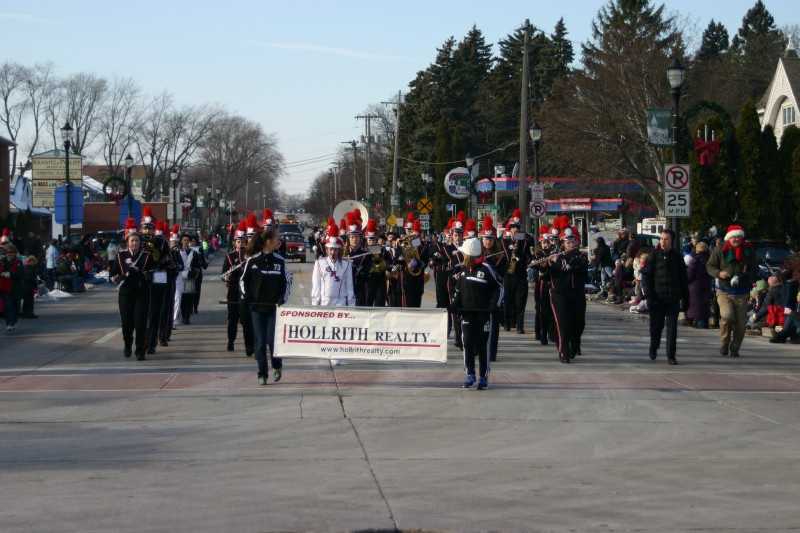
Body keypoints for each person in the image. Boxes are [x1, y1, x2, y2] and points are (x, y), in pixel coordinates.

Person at [240, 227, 291, 385]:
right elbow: (243, 281)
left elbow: (287, 283)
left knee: (272, 340)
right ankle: (262, 373)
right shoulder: (253, 261)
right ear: (268, 241)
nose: (279, 241)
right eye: (276, 238)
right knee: (260, 342)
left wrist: (283, 298)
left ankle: (277, 366)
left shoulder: (280, 261)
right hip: (257, 309)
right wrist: (247, 296)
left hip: (273, 308)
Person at [452, 237, 501, 390]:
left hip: (484, 314)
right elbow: (458, 290)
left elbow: (499, 288)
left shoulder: (486, 268)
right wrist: (454, 304)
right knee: (467, 343)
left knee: (482, 346)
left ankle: (483, 377)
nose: (462, 256)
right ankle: (470, 374)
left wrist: (494, 305)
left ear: (469, 255)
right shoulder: (463, 270)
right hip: (466, 314)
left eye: (464, 253)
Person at [706, 224, 758, 357]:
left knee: (741, 324)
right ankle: (724, 343)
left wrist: (747, 277)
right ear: (729, 238)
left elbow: (755, 269)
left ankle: (735, 349)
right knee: (727, 316)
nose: (736, 239)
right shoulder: (720, 250)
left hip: (742, 292)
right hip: (724, 291)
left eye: (739, 237)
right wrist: (719, 273)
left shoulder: (748, 251)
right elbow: (709, 266)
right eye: (733, 237)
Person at [109, 220, 154, 360]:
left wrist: (146, 274)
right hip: (126, 294)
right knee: (127, 323)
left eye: (137, 240)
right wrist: (119, 277)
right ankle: (128, 345)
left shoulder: (146, 256)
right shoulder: (120, 256)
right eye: (132, 240)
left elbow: (152, 273)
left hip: (141, 292)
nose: (135, 243)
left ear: (140, 242)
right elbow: (112, 275)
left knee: (140, 323)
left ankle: (140, 350)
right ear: (127, 241)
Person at [643, 229, 689, 364]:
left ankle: (671, 355)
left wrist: (686, 299)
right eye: (661, 239)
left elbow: (683, 280)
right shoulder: (653, 255)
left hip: (673, 298)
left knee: (672, 328)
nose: (663, 242)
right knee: (656, 327)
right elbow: (646, 276)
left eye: (666, 239)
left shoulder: (678, 257)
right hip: (656, 298)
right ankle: (654, 346)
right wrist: (649, 295)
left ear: (672, 241)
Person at [548, 225, 588, 362]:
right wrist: (543, 266)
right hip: (559, 295)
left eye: (572, 241)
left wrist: (558, 261)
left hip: (577, 294)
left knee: (579, 324)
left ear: (577, 242)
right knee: (563, 324)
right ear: (563, 244)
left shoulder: (582, 257)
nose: (570, 244)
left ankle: (575, 343)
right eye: (567, 242)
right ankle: (563, 352)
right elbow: (547, 275)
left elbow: (570, 267)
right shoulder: (555, 256)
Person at [223, 220, 253, 354]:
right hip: (234, 291)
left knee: (247, 321)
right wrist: (227, 276)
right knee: (232, 319)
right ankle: (231, 341)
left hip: (246, 293)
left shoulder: (250, 257)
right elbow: (223, 274)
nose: (241, 244)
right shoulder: (229, 257)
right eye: (238, 241)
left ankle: (249, 346)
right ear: (235, 242)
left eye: (243, 241)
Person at [480, 216, 507, 362]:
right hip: (479, 294)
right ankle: (480, 349)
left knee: (493, 324)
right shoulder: (476, 254)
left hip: (494, 294)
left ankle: (492, 353)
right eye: (485, 238)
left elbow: (500, 276)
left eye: (490, 239)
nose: (487, 241)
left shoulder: (500, 257)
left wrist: (489, 263)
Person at [502, 209, 531, 334]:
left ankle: (519, 326)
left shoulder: (525, 240)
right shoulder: (505, 240)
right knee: (508, 301)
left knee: (520, 302)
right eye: (512, 227)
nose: (515, 229)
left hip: (520, 274)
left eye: (517, 227)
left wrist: (522, 253)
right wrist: (510, 249)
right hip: (508, 275)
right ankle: (508, 323)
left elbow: (530, 253)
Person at [311, 223, 355, 306]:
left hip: (341, 305)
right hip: (325, 304)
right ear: (327, 250)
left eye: (335, 250)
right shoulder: (319, 263)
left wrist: (351, 306)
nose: (333, 252)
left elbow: (350, 287)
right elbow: (316, 286)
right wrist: (315, 304)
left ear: (338, 250)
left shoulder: (346, 265)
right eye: (331, 249)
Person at [686, 241, 712, 328]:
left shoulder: (694, 260)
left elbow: (689, 275)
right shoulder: (710, 260)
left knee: (696, 307)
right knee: (704, 307)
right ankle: (704, 323)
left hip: (695, 287)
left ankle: (695, 322)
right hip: (707, 285)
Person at [177, 233, 202, 325]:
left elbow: (197, 265)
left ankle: (187, 316)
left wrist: (194, 272)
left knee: (189, 298)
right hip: (180, 277)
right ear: (181, 241)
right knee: (182, 298)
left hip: (190, 278)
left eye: (188, 240)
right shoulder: (177, 252)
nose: (186, 242)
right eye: (184, 240)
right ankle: (183, 315)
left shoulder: (194, 253)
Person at [0, 244, 23, 333]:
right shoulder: (3, 261)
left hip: (15, 287)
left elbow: (20, 274)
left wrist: (10, 274)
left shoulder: (18, 262)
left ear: (14, 253)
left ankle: (13, 321)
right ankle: (9, 323)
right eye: (8, 252)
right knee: (7, 306)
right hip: (5, 287)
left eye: (11, 252)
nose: (9, 254)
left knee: (15, 305)